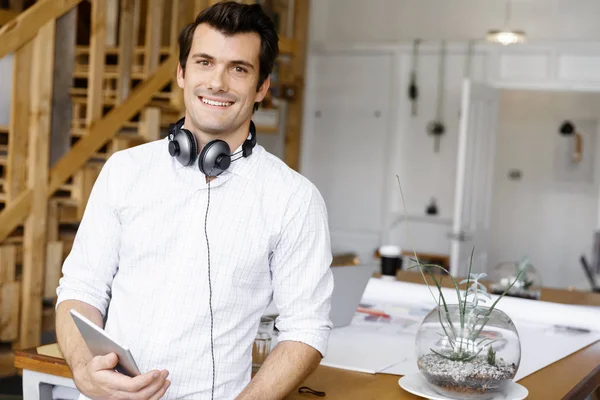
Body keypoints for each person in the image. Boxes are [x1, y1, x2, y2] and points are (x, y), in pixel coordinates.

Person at [55, 2, 334, 399]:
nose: (217, 82)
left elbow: (306, 328)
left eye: (239, 68)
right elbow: (81, 288)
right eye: (204, 62)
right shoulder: (124, 170)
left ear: (262, 87)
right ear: (182, 74)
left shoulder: (294, 199)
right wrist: (84, 370)